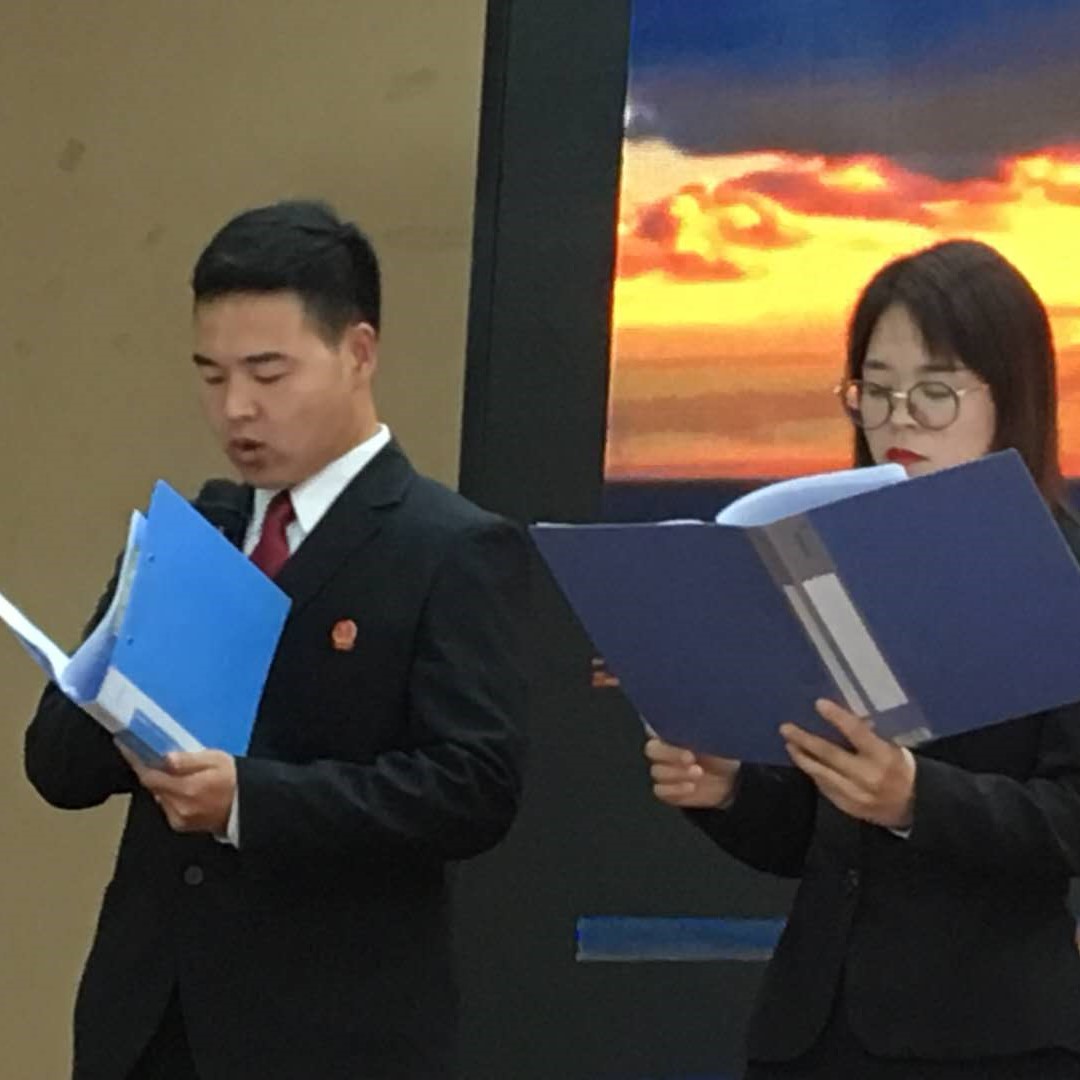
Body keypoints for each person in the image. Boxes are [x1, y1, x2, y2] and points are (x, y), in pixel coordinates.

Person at [24, 199, 529, 1080]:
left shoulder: (448, 546)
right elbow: (58, 769)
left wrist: (250, 802)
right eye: (212, 376)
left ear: (358, 352)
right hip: (148, 1021)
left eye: (268, 373)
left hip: (329, 1031)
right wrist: (125, 658)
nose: (237, 409)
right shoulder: (204, 529)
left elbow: (473, 786)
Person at [645, 239, 1080, 1077]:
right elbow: (817, 837)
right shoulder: (830, 563)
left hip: (990, 1038)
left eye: (934, 392)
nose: (898, 419)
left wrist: (917, 798)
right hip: (814, 1032)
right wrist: (730, 789)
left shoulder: (1063, 573)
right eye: (875, 392)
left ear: (1013, 394)